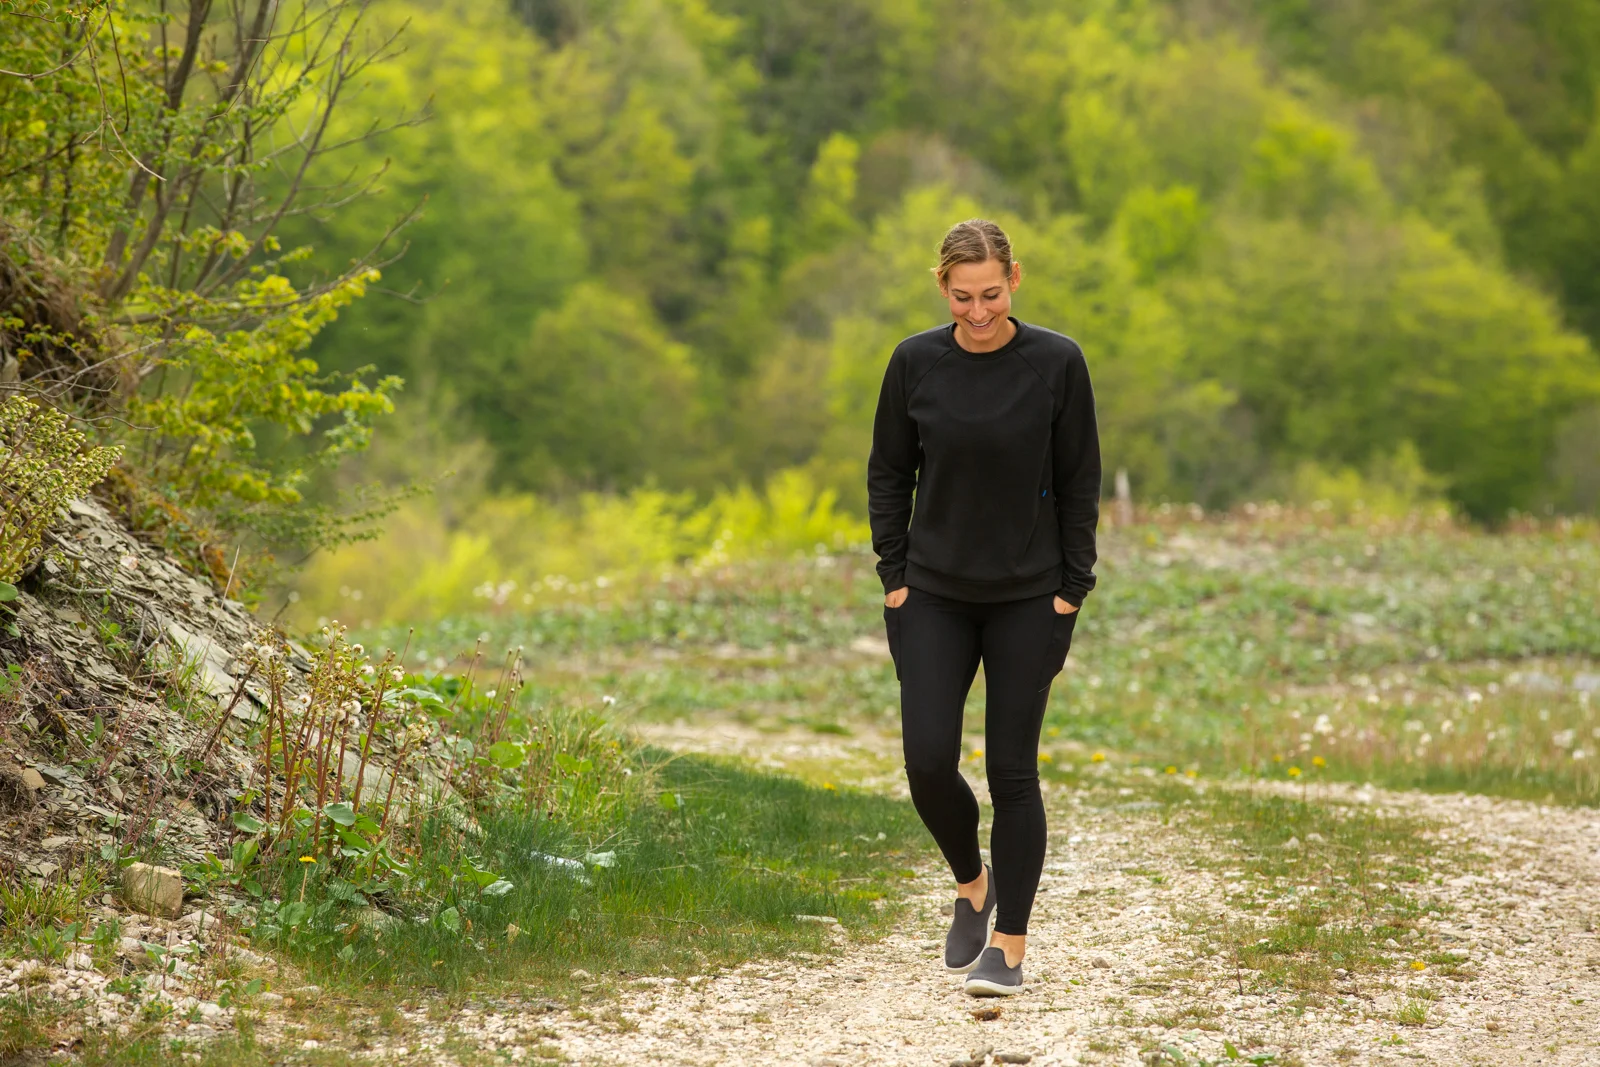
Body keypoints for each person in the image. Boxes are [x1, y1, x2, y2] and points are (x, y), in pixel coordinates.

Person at [867, 218, 1101, 997]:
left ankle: (1009, 944)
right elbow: (888, 472)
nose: (977, 312)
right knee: (928, 762)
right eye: (962, 296)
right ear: (943, 287)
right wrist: (895, 576)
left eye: (991, 295)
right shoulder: (914, 362)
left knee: (1012, 771)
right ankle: (973, 883)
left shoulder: (1057, 363)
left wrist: (1071, 588)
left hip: (1029, 597)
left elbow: (1080, 479)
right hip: (932, 593)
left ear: (1015, 280)